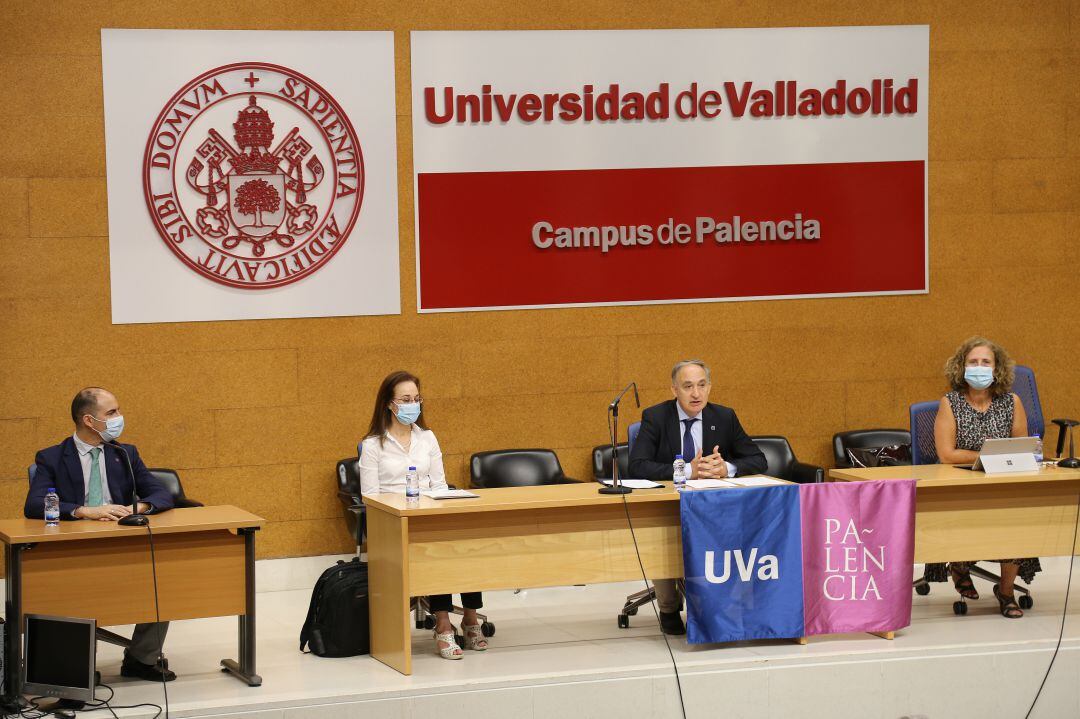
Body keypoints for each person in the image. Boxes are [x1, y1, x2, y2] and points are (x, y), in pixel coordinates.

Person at [25, 387, 177, 681]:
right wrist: (83, 510)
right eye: (112, 413)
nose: (120, 418)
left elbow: (161, 493)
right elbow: (34, 504)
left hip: (122, 540)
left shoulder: (124, 452)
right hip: (74, 546)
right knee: (77, 590)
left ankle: (141, 659)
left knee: (161, 578)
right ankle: (78, 665)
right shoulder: (51, 458)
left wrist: (139, 506)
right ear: (89, 421)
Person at [628, 359, 768, 634]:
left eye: (702, 385)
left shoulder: (724, 417)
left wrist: (726, 467)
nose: (696, 394)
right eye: (688, 386)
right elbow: (637, 465)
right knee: (664, 534)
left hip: (715, 507)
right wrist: (686, 470)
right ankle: (668, 608)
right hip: (670, 504)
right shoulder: (655, 417)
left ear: (709, 387)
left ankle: (719, 604)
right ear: (674, 390)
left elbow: (758, 459)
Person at [359, 370, 488, 660]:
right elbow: (370, 497)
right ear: (388, 404)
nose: (412, 405)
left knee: (465, 544)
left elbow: (440, 484)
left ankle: (470, 618)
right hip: (391, 521)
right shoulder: (372, 445)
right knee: (435, 550)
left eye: (416, 399)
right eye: (405, 399)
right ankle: (443, 624)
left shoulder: (427, 438)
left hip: (428, 513)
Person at [932, 336, 1041, 618]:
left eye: (985, 362)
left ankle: (1005, 592)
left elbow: (1023, 447)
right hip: (959, 484)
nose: (979, 367)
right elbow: (946, 454)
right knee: (961, 514)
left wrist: (994, 456)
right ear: (961, 367)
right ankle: (958, 564)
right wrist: (986, 454)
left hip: (1002, 481)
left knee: (1018, 519)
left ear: (997, 368)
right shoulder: (950, 402)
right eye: (973, 362)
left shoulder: (1011, 401)